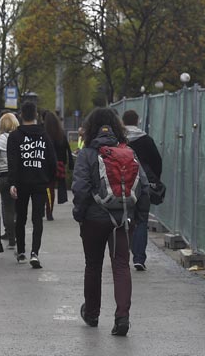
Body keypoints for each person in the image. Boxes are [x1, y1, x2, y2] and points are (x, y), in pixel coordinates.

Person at [72, 108, 150, 337]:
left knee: (93, 265)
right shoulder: (127, 151)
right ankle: (122, 317)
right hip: (122, 219)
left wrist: (80, 214)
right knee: (121, 266)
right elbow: (143, 187)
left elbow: (80, 187)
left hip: (94, 220)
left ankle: (92, 313)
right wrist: (138, 217)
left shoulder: (87, 153)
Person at [7, 101, 55, 268]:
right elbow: (52, 160)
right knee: (37, 219)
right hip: (40, 182)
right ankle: (35, 253)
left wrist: (12, 183)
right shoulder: (44, 135)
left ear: (20, 115)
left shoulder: (14, 137)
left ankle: (21, 252)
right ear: (35, 115)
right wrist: (49, 179)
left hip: (21, 182)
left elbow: (12, 161)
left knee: (20, 217)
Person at [122, 109, 163, 272]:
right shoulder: (146, 140)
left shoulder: (120, 140)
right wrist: (154, 179)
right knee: (142, 220)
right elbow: (157, 162)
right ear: (138, 121)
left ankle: (121, 256)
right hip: (143, 185)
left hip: (123, 184)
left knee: (123, 219)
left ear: (123, 122)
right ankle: (139, 258)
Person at [0, 112, 19, 241]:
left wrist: (0, 162)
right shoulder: (20, 138)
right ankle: (19, 233)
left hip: (3, 176)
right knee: (19, 205)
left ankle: (11, 236)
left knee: (7, 206)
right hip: (19, 176)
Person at [44, 111, 71, 221]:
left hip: (45, 165)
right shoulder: (61, 134)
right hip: (58, 165)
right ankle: (49, 211)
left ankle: (43, 209)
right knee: (52, 189)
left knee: (45, 188)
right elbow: (66, 151)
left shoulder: (44, 134)